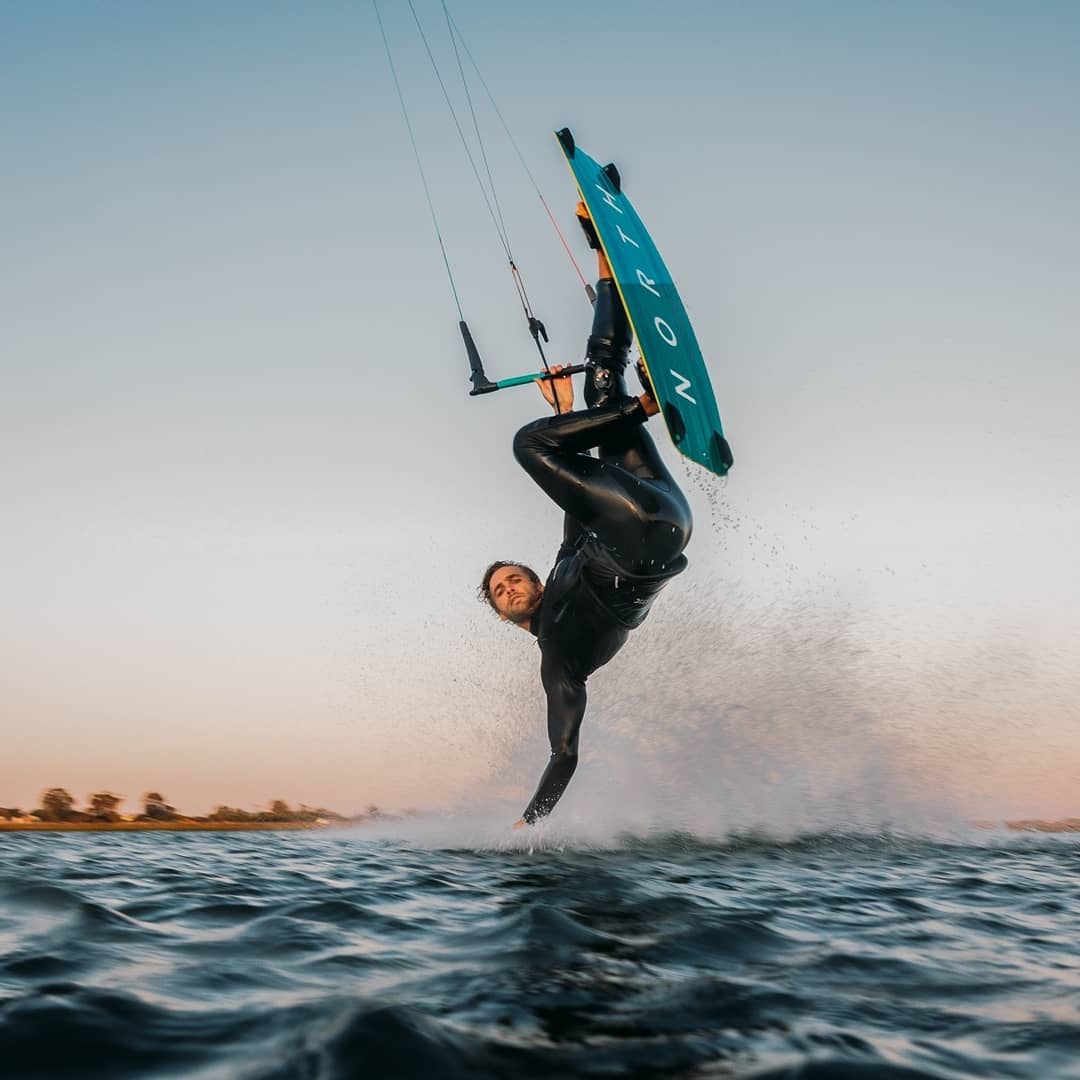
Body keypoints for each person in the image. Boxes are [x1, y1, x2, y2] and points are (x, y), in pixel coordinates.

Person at [479, 203, 693, 828]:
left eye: (513, 577)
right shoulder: (557, 659)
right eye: (501, 590)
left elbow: (577, 505)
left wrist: (567, 407)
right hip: (648, 533)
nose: (511, 584)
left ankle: (605, 257)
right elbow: (564, 753)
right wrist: (530, 821)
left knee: (601, 378)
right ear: (502, 614)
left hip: (652, 506)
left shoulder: (564, 559)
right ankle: (644, 405)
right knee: (530, 442)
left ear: (536, 582)